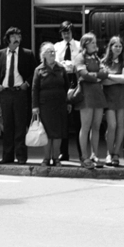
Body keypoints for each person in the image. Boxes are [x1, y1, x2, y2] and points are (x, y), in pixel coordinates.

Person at [0, 27, 37, 165]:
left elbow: (33, 73)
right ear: (8, 38)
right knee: (8, 125)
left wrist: (27, 84)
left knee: (20, 125)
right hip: (5, 93)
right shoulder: (0, 54)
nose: (17, 38)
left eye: (19, 36)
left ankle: (21, 157)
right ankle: (7, 156)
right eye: (14, 36)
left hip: (20, 93)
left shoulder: (27, 54)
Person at [73, 33, 109, 169]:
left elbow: (105, 73)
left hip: (98, 95)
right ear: (85, 44)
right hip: (86, 95)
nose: (95, 45)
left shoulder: (96, 57)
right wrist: (96, 77)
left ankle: (95, 155)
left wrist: (94, 75)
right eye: (92, 42)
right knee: (85, 127)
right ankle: (84, 156)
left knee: (96, 126)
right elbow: (83, 75)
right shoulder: (79, 57)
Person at [31, 42, 70, 167]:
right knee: (46, 132)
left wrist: (68, 102)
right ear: (44, 55)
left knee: (58, 133)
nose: (52, 53)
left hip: (59, 104)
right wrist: (35, 106)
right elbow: (34, 89)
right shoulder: (38, 70)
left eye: (53, 51)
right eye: (49, 51)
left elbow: (67, 87)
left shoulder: (61, 69)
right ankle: (46, 158)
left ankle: (56, 158)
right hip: (45, 106)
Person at [101, 35, 124, 167]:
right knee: (111, 125)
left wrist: (109, 76)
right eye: (116, 46)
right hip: (108, 97)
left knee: (121, 125)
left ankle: (116, 154)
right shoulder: (103, 62)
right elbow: (103, 81)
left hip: (122, 97)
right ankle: (109, 152)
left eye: (120, 46)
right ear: (111, 47)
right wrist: (115, 79)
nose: (118, 48)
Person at [54, 20, 82, 162]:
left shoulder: (79, 45)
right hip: (62, 81)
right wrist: (62, 65)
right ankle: (63, 152)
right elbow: (53, 63)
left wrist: (74, 65)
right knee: (63, 121)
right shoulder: (57, 46)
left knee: (78, 122)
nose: (66, 35)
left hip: (76, 80)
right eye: (63, 32)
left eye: (68, 32)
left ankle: (82, 153)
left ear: (72, 32)